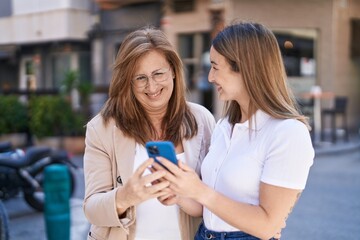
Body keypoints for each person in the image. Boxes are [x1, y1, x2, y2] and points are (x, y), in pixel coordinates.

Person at [155, 21, 315, 240]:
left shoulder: (287, 133)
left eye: (215, 66)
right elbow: (210, 210)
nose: (210, 77)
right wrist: (180, 193)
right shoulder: (224, 126)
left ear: (244, 68)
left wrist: (200, 190)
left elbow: (267, 226)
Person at [82, 26, 216, 240]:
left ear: (173, 70)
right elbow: (92, 209)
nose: (151, 86)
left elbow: (215, 200)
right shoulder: (102, 129)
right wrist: (124, 197)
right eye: (140, 78)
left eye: (158, 74)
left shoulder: (202, 120)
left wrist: (182, 193)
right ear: (128, 81)